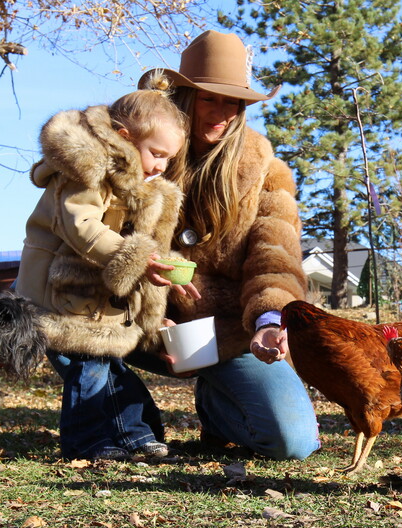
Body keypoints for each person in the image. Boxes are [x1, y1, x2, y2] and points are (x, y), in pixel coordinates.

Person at [131, 30, 320, 460]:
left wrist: (270, 321)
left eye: (232, 101)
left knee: (293, 442)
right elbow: (107, 240)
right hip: (143, 323)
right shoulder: (138, 155)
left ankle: (216, 409)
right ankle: (126, 423)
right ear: (183, 97)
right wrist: (148, 312)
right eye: (208, 98)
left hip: (231, 334)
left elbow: (275, 261)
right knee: (62, 326)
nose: (222, 112)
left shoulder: (268, 174)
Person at [15, 81, 201, 461]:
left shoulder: (139, 187)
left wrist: (156, 279)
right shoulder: (86, 173)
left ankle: (135, 436)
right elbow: (79, 225)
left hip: (97, 300)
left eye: (168, 159)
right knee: (91, 368)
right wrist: (135, 257)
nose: (161, 166)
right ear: (123, 137)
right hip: (61, 295)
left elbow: (142, 245)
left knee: (109, 366)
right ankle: (87, 443)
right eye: (157, 154)